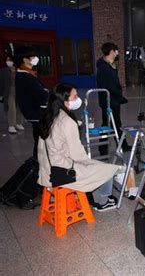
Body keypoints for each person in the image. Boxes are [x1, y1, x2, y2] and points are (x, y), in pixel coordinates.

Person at [37, 83, 120, 211]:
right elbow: (77, 155)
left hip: (47, 170)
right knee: (108, 169)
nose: (78, 99)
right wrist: (91, 164)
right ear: (64, 100)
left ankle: (96, 197)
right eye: (74, 97)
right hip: (62, 173)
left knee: (98, 167)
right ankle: (102, 202)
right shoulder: (67, 122)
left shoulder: (48, 116)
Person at [96, 42, 130, 155]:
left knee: (113, 123)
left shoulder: (109, 64)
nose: (117, 53)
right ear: (111, 52)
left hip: (113, 100)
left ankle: (118, 145)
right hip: (109, 101)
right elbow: (110, 86)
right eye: (116, 51)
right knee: (108, 124)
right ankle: (104, 148)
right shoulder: (104, 67)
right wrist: (120, 97)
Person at [14, 46, 48, 158]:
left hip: (35, 112)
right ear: (25, 59)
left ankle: (39, 164)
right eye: (32, 56)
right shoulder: (25, 75)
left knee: (40, 142)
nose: (35, 58)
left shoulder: (28, 73)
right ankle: (38, 165)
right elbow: (39, 94)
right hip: (36, 113)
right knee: (41, 142)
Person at [0, 54, 25, 134]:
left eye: (10, 60)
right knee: (12, 108)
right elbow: (1, 83)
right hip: (9, 91)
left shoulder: (19, 70)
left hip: (19, 91)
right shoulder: (4, 71)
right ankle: (11, 125)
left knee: (19, 108)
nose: (8, 62)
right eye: (7, 60)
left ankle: (18, 123)